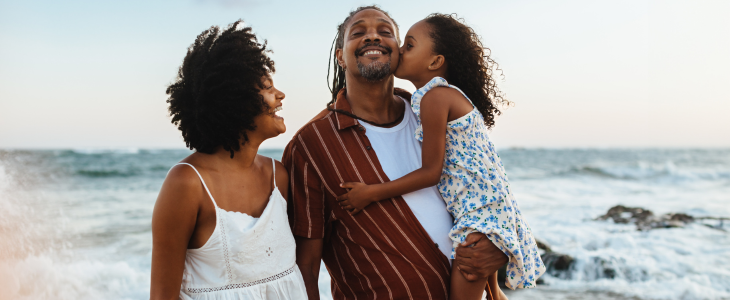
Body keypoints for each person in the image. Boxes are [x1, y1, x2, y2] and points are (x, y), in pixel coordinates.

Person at [283, 6, 508, 300]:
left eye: (386, 32)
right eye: (359, 32)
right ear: (340, 56)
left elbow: (486, 192)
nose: (373, 37)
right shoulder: (312, 145)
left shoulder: (437, 119)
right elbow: (305, 268)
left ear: (399, 52)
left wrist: (497, 251)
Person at [335, 14, 546, 299]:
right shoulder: (441, 96)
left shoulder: (434, 98)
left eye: (408, 46)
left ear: (435, 62)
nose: (399, 51)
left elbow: (431, 172)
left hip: (479, 217)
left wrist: (371, 193)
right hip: (486, 210)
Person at [150, 21, 307, 300]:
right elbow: (163, 295)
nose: (280, 95)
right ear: (236, 101)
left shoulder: (278, 175)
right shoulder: (187, 183)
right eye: (268, 87)